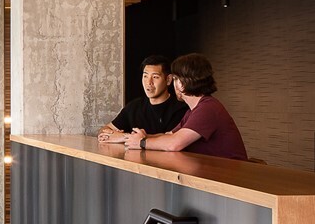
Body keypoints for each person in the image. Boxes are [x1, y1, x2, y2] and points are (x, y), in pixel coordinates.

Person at [101, 52, 248, 160]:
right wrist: (132, 137)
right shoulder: (193, 111)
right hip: (214, 174)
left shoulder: (208, 108)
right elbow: (169, 135)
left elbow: (174, 144)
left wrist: (141, 142)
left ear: (186, 82)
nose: (174, 84)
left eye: (176, 78)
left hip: (231, 178)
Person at [97, 54, 188, 144]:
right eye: (145, 76)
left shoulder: (181, 109)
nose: (149, 82)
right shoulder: (134, 106)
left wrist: (123, 137)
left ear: (168, 80)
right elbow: (105, 129)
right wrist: (107, 134)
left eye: (155, 77)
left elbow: (171, 139)